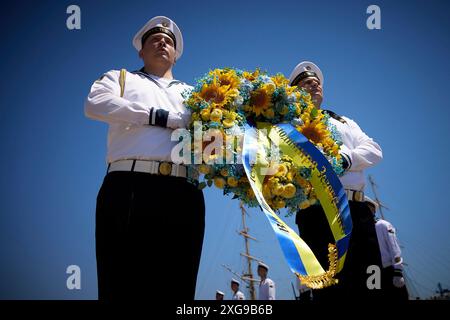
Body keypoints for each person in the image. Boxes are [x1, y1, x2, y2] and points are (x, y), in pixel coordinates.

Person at [85, 16, 205, 300]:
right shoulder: (122, 78)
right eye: (154, 39)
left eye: (168, 42)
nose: (162, 42)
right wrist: (160, 117)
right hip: (130, 187)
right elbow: (95, 104)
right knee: (123, 284)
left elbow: (210, 141)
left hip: (185, 193)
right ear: (141, 51)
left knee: (178, 288)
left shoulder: (196, 94)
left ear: (176, 54)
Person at [289, 61, 383, 300]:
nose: (313, 84)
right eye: (306, 83)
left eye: (316, 82)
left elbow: (374, 150)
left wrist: (347, 158)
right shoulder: (288, 127)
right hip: (317, 213)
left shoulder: (343, 122)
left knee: (370, 286)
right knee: (330, 293)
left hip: (357, 211)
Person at [366, 197, 409, 300]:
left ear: (373, 210)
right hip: (373, 272)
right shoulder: (362, 230)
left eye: (367, 209)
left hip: (389, 270)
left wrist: (398, 271)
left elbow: (394, 248)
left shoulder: (382, 225)